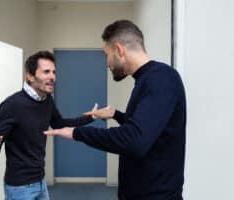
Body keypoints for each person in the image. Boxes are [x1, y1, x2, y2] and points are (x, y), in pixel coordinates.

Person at [44, 20, 186, 200]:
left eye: (107, 55)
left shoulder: (161, 78)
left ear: (119, 50)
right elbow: (149, 129)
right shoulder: (147, 79)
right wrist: (116, 115)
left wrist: (77, 133)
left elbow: (135, 140)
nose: (107, 64)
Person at [0, 51, 96, 200]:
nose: (52, 77)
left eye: (54, 72)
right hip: (20, 188)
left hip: (41, 182)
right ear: (30, 76)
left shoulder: (47, 100)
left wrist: (90, 118)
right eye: (46, 72)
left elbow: (60, 124)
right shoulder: (13, 105)